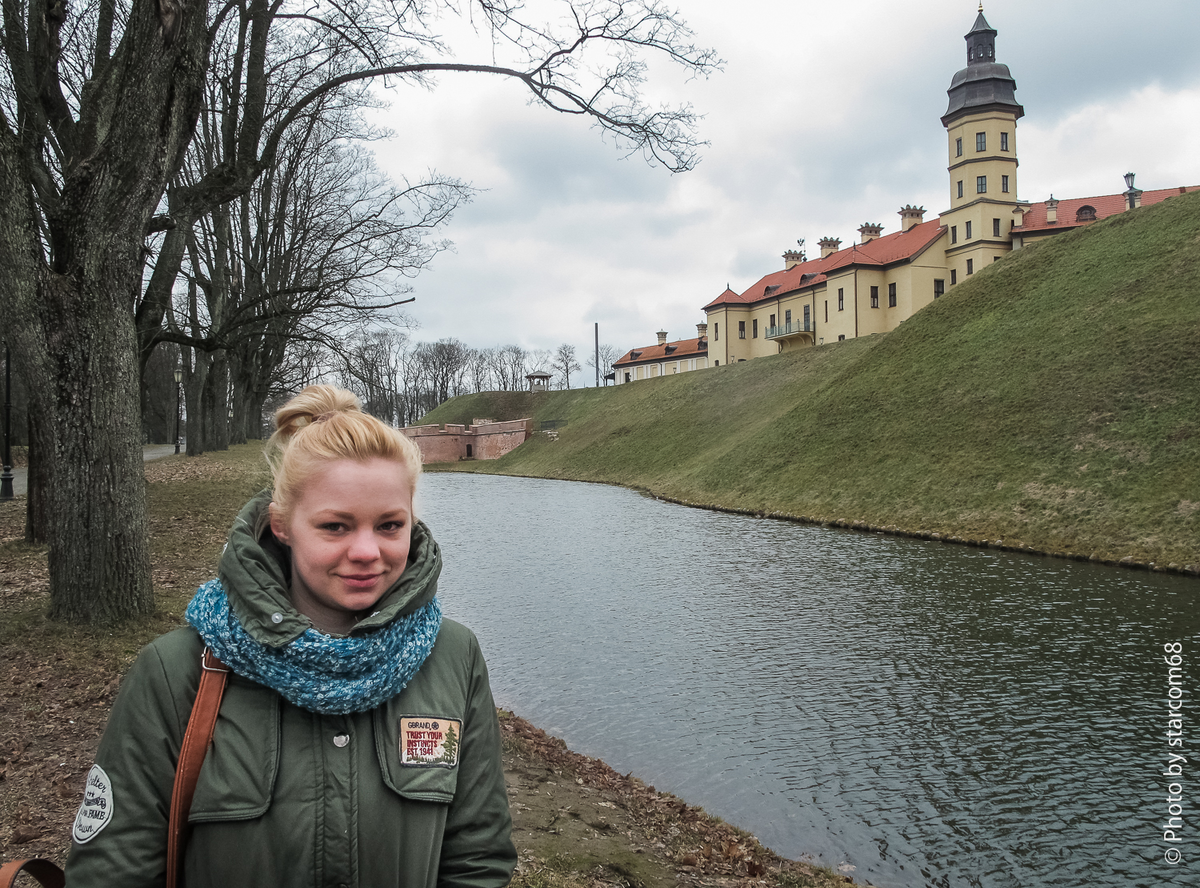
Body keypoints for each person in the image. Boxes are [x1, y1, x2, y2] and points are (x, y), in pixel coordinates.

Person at [65, 386, 516, 888]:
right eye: (335, 526)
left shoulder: (454, 658)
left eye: (390, 525)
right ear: (282, 525)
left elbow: (478, 859)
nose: (367, 550)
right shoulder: (176, 672)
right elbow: (111, 872)